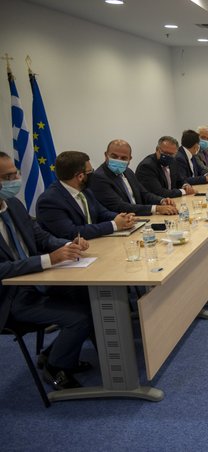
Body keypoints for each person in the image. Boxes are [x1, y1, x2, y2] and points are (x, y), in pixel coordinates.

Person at [0, 151, 92, 390]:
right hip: (10, 298)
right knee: (79, 317)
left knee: (92, 298)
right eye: (7, 177)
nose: (15, 180)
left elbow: (39, 235)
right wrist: (47, 260)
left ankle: (55, 354)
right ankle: (56, 368)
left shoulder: (13, 204)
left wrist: (67, 244)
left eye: (15, 174)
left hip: (37, 282)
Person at [36, 151, 137, 240]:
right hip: (70, 251)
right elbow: (71, 232)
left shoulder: (85, 191)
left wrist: (122, 218)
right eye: (90, 171)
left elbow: (102, 213)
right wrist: (114, 225)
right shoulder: (50, 200)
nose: (94, 174)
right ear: (80, 176)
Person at [90, 139, 178, 216]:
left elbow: (144, 193)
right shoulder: (99, 177)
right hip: (122, 222)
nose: (118, 160)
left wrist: (162, 200)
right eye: (114, 156)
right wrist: (156, 208)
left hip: (140, 218)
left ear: (130, 159)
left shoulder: (128, 171)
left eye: (124, 158)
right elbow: (119, 206)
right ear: (106, 155)